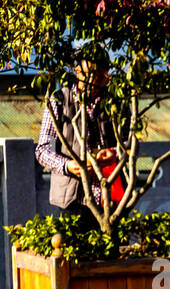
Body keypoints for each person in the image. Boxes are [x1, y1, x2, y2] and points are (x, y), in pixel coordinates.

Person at [34, 60, 120, 221]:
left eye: (100, 77)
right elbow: (42, 150)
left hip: (110, 196)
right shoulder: (59, 100)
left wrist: (114, 154)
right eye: (87, 75)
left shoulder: (116, 101)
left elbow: (131, 144)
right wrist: (67, 165)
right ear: (77, 71)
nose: (92, 82)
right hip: (71, 199)